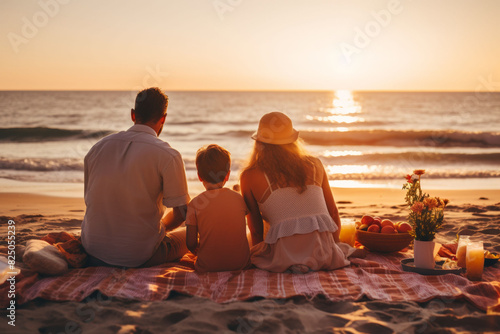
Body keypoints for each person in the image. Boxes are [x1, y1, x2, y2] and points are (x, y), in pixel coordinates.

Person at [81, 87, 190, 268]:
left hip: (92, 250)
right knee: (193, 232)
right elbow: (182, 214)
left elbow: (90, 200)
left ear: (133, 115)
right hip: (138, 257)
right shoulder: (168, 155)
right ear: (163, 118)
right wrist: (161, 228)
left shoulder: (98, 148)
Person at [240, 112, 359, 273]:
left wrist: (258, 254)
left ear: (260, 142)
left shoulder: (250, 175)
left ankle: (296, 261)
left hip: (284, 257)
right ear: (292, 141)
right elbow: (333, 212)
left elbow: (255, 230)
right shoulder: (315, 164)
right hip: (324, 254)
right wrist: (334, 247)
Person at [186, 144, 250, 272]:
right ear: (227, 175)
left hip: (207, 267)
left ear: (199, 176)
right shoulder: (239, 199)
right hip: (241, 265)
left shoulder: (195, 204)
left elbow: (190, 243)